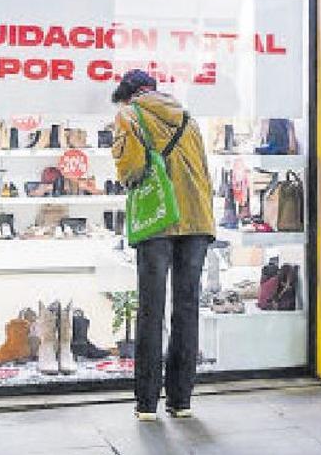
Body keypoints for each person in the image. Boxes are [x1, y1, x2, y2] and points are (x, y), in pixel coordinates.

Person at [112, 69, 215, 421]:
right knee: (187, 309)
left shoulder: (129, 115)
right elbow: (204, 171)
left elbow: (131, 169)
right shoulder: (188, 116)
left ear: (128, 95)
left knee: (151, 311)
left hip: (158, 220)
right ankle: (181, 401)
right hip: (198, 221)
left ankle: (146, 404)